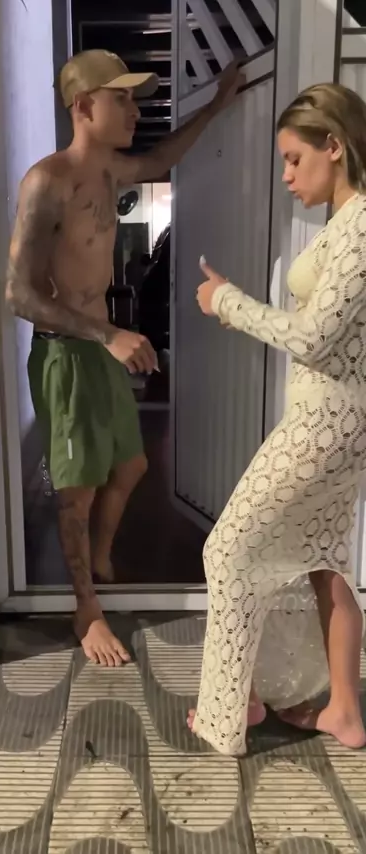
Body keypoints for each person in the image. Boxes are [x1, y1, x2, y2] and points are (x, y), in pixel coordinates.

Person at [6, 50, 243, 667]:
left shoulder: (111, 170)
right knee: (76, 491)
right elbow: (19, 294)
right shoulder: (46, 181)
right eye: (123, 99)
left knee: (133, 464)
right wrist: (106, 333)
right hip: (65, 355)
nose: (136, 111)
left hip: (99, 345)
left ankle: (101, 558)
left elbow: (162, 159)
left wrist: (218, 104)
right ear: (84, 107)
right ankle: (86, 610)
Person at [187, 82, 366, 756]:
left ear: (335, 146)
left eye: (295, 159)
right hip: (335, 422)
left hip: (326, 426)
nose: (287, 175)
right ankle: (343, 710)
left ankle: (226, 714)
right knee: (324, 560)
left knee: (228, 549)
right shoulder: (344, 225)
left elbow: (314, 339)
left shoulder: (361, 226)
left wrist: (227, 302)